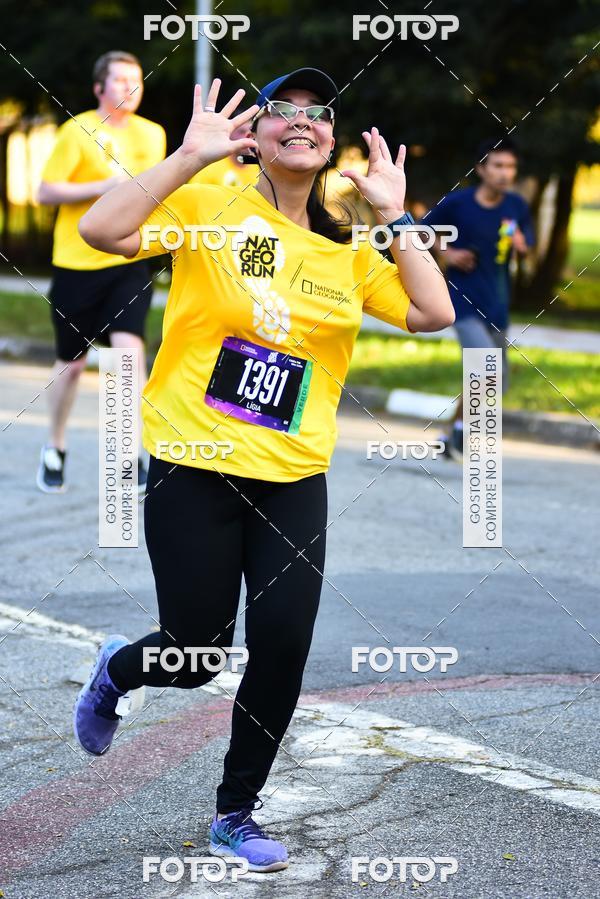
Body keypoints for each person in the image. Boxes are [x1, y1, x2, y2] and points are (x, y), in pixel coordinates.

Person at [74, 68, 454, 873]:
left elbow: (433, 313)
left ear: (331, 145)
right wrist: (184, 157)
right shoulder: (209, 201)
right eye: (284, 109)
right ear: (259, 132)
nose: (301, 123)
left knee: (281, 644)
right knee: (197, 650)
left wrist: (396, 215)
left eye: (320, 116)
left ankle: (235, 813)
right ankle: (114, 672)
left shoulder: (346, 246)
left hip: (293, 477)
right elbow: (102, 232)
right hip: (192, 464)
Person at [36, 50, 166, 492]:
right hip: (76, 265)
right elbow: (44, 192)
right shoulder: (76, 131)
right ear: (99, 88)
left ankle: (130, 456)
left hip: (128, 261)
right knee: (71, 366)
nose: (130, 88)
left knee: (129, 357)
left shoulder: (154, 134)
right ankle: (54, 446)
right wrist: (104, 188)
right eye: (119, 80)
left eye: (137, 80)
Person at [424, 137, 534, 460]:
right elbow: (420, 232)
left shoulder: (516, 207)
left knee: (494, 380)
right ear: (481, 169)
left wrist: (520, 243)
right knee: (486, 368)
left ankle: (453, 432)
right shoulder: (459, 204)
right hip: (461, 303)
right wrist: (449, 253)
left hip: (497, 305)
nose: (505, 173)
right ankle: (460, 434)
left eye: (510, 166)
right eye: (498, 165)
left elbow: (529, 245)